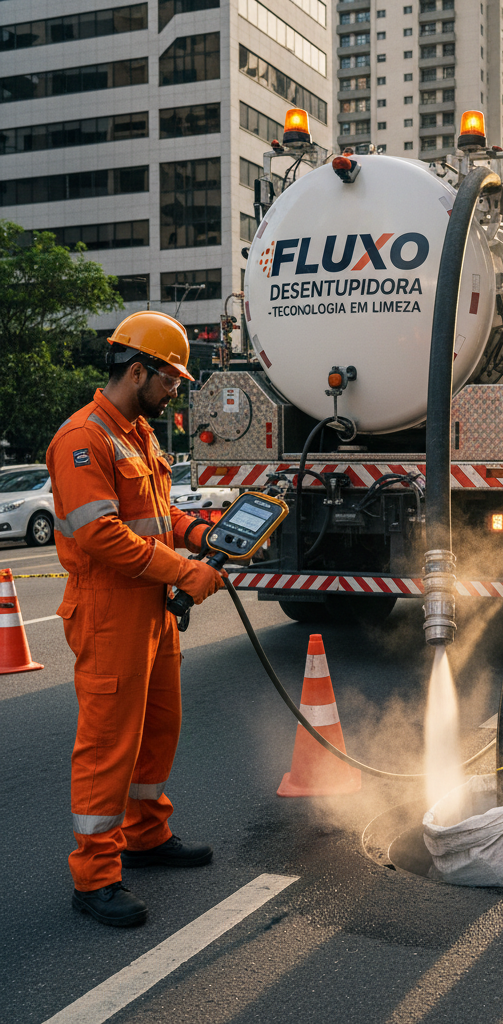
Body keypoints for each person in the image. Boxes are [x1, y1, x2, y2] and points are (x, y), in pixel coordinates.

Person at [46, 311, 227, 927]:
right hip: (109, 608)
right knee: (106, 745)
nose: (176, 388)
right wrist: (182, 570)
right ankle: (95, 877)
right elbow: (99, 534)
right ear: (136, 370)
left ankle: (146, 835)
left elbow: (158, 513)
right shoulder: (84, 438)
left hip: (149, 606)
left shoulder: (140, 434)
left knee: (158, 729)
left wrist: (196, 531)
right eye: (170, 377)